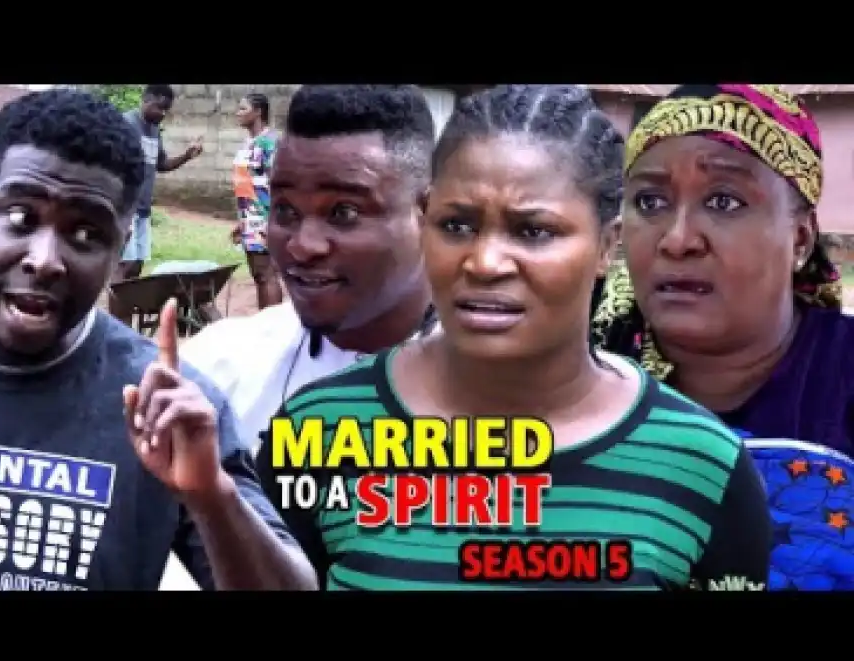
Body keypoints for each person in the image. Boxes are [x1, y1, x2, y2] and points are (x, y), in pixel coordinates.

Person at [254, 84, 771, 591]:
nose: (484, 263)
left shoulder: (701, 464)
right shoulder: (317, 432)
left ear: (607, 245)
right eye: (457, 225)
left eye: (533, 231)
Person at [0, 88, 316, 591]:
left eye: (85, 235)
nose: (45, 260)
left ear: (120, 249)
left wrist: (212, 497)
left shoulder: (164, 407)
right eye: (20, 218)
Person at [593, 84, 854, 590]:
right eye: (650, 201)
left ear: (800, 238)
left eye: (724, 201)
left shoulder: (841, 376)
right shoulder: (578, 373)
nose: (678, 239)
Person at [181, 85, 438, 450]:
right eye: (285, 210)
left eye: (344, 212)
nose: (302, 245)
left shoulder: (504, 392)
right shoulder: (214, 375)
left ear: (430, 213)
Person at [116, 84, 203, 282]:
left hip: (143, 209)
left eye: (166, 110)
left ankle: (128, 302)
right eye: (159, 107)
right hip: (125, 206)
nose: (163, 113)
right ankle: (115, 303)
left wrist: (187, 156)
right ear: (145, 100)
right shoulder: (126, 124)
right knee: (124, 265)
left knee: (137, 265)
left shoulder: (155, 130)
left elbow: (161, 164)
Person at [230, 91, 283, 309]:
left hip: (264, 218)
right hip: (249, 218)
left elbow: (278, 184)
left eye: (243, 108)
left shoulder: (269, 143)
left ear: (258, 112)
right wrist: (241, 221)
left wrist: (273, 222)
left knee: (266, 274)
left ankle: (272, 324)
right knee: (258, 274)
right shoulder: (248, 143)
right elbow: (247, 183)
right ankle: (264, 322)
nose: (238, 113)